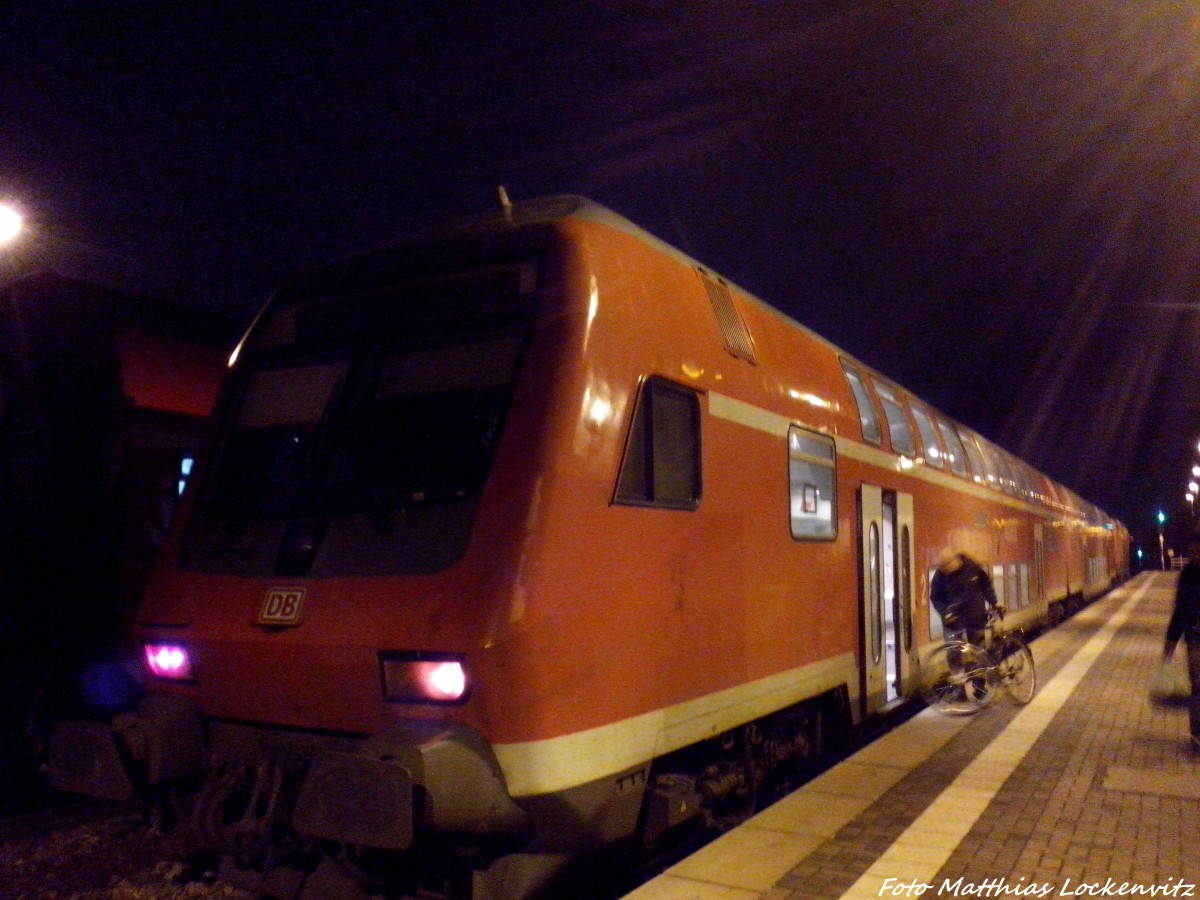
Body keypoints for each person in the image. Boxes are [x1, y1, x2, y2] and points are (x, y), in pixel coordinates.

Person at [1163, 533, 1200, 751]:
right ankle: (1197, 734)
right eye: (1192, 551)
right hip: (1195, 637)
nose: (1194, 556)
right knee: (1197, 686)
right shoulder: (1187, 574)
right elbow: (1179, 610)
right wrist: (1170, 642)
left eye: (1197, 551)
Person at [931, 549, 1000, 647]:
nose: (946, 571)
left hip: (975, 617)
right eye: (943, 568)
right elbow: (935, 597)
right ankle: (956, 662)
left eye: (948, 567)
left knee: (979, 650)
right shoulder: (940, 575)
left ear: (956, 560)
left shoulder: (972, 567)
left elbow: (985, 584)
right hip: (952, 621)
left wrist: (994, 603)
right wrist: (945, 611)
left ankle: (980, 662)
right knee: (953, 651)